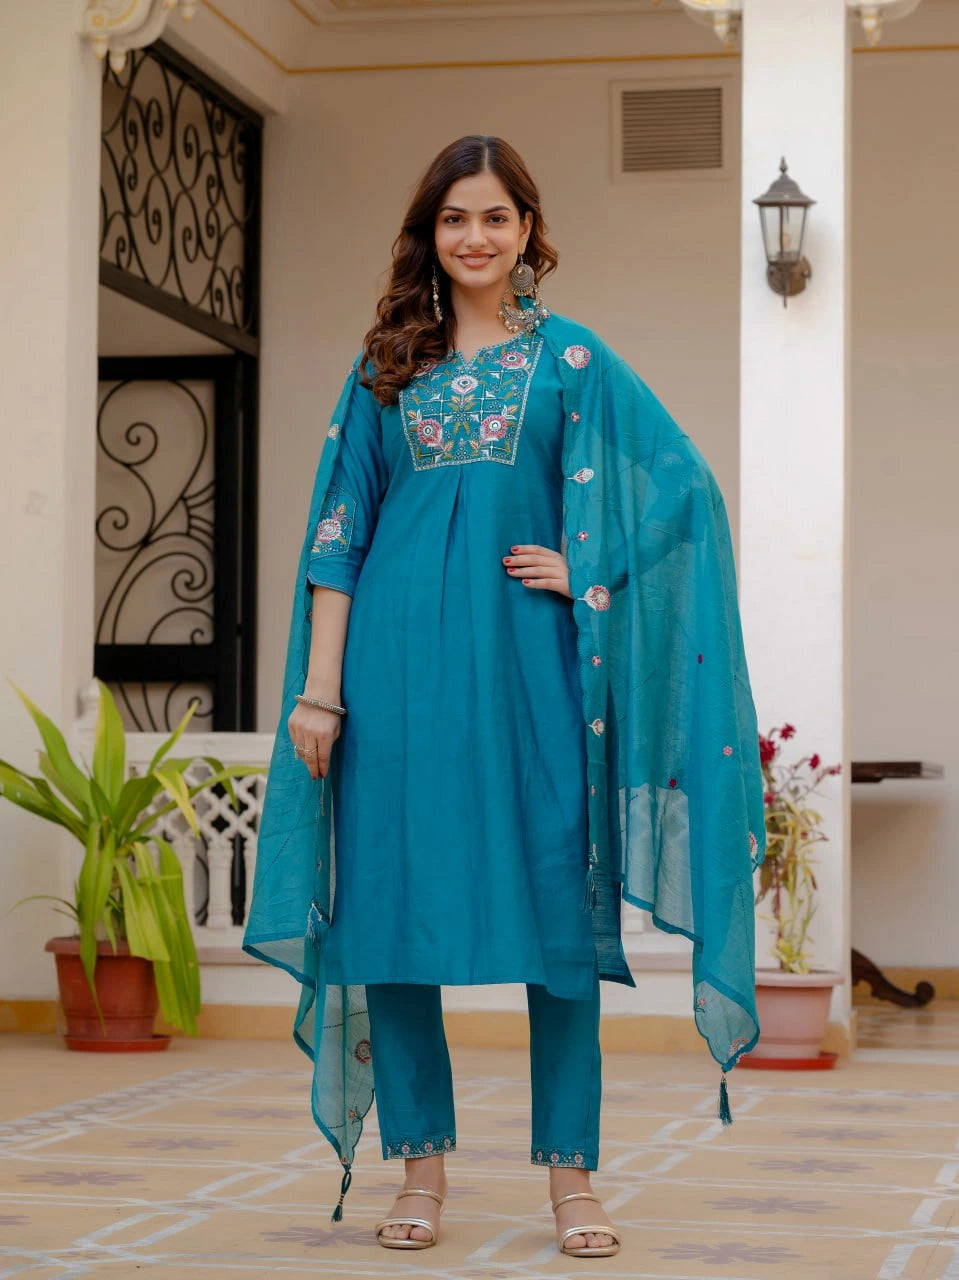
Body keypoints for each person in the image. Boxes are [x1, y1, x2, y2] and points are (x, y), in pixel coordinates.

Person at [243, 134, 766, 1259]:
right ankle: (420, 1166)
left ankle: (570, 1177)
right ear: (427, 236)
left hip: (530, 671)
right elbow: (338, 534)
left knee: (555, 918)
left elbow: (681, 494)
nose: (472, 237)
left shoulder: (571, 362)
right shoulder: (385, 366)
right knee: (386, 913)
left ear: (526, 231)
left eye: (492, 217)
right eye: (451, 219)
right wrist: (319, 693)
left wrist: (590, 574)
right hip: (389, 673)